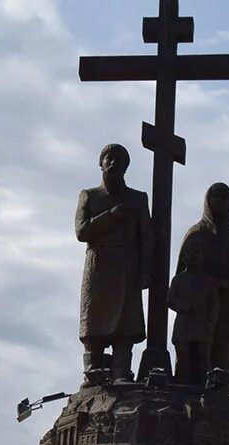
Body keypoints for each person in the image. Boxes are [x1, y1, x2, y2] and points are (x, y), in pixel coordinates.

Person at [75, 143, 153, 383]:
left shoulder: (137, 199)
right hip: (98, 265)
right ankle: (93, 371)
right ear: (100, 163)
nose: (113, 162)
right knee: (94, 318)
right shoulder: (89, 195)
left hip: (125, 265)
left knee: (125, 322)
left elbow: (147, 238)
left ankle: (121, 371)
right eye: (108, 158)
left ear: (126, 167)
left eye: (119, 159)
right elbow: (81, 231)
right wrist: (110, 216)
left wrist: (145, 270)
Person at [170, 182, 229, 389]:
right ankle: (187, 385)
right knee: (190, 349)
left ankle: (219, 390)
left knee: (221, 346)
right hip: (195, 308)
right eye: (215, 197)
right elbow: (180, 274)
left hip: (224, 306)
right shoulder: (195, 234)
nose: (219, 202)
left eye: (224, 198)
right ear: (207, 201)